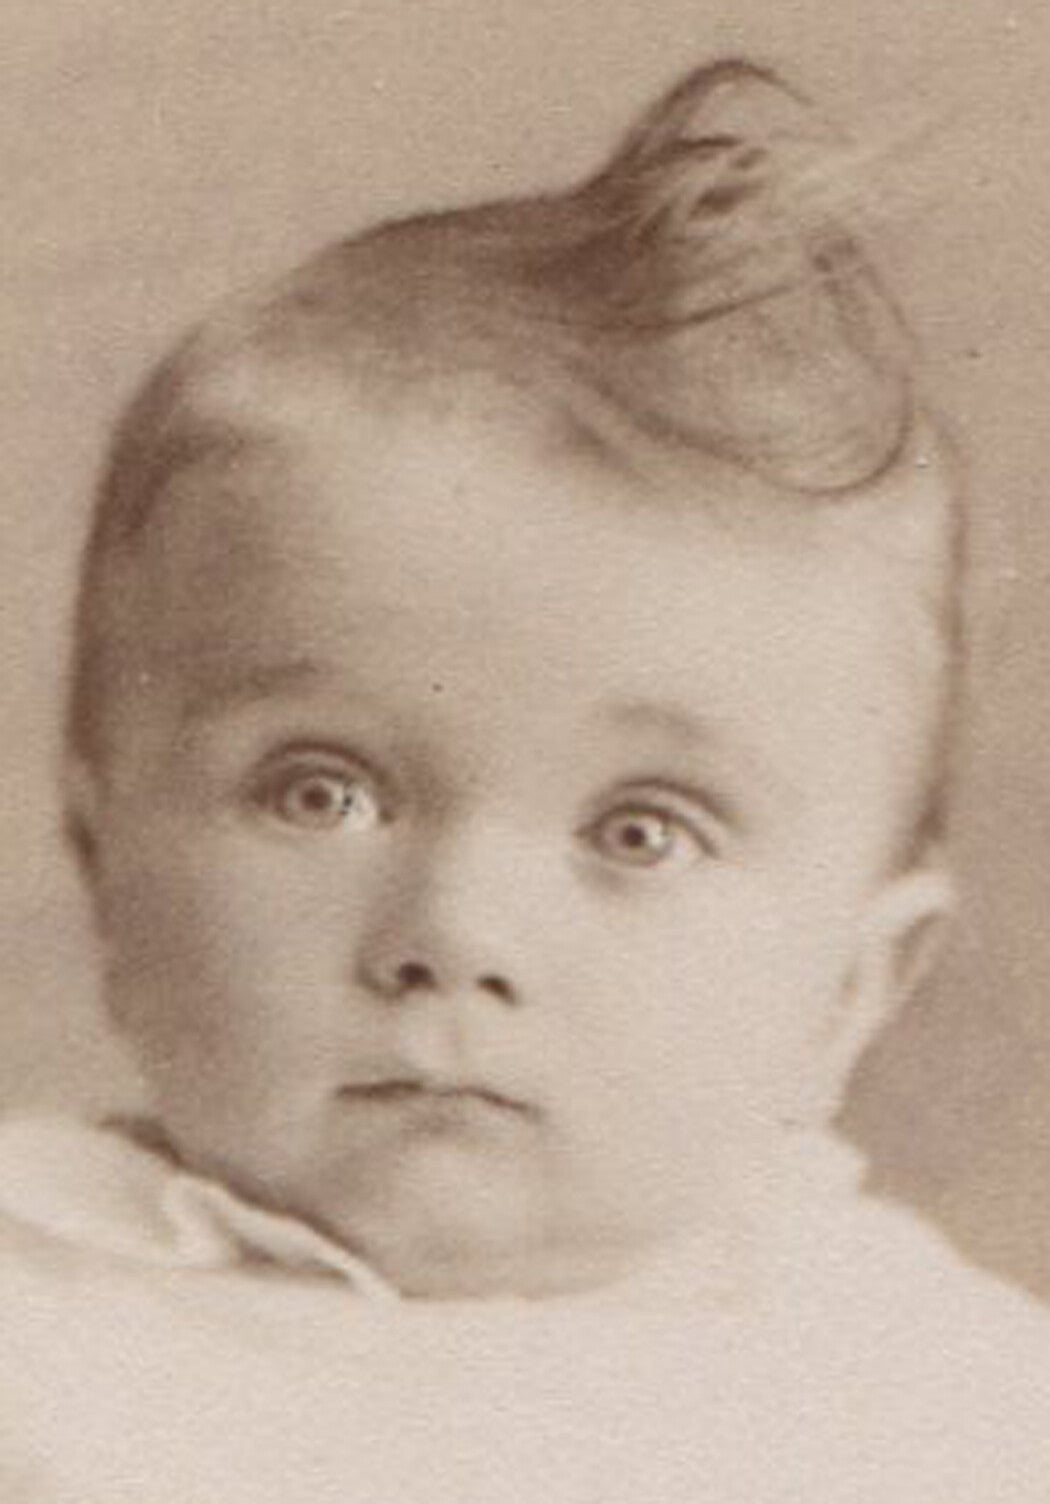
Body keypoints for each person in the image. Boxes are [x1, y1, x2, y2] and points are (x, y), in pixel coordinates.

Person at [0, 56, 1047, 1503]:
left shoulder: (941, 1404)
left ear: (851, 989)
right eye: (322, 790)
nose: (451, 937)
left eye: (641, 829)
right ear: (103, 864)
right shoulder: (39, 1338)